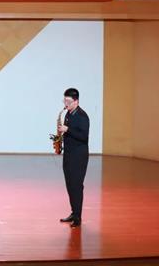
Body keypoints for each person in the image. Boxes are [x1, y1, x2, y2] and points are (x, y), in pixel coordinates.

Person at [57, 88, 89, 228]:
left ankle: (78, 217)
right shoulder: (68, 114)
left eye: (68, 101)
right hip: (69, 155)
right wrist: (59, 139)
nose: (66, 104)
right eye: (64, 101)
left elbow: (84, 137)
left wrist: (68, 130)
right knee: (70, 185)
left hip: (79, 157)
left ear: (76, 101)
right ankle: (73, 212)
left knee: (77, 186)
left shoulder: (82, 116)